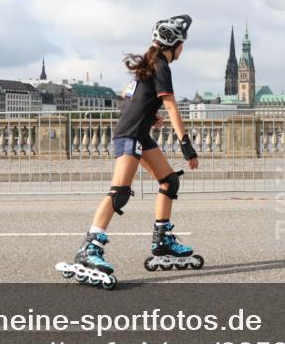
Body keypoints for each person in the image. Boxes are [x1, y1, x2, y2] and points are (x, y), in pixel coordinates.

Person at [61, 15, 200, 288]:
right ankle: (89, 248)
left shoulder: (149, 66)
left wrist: (150, 118)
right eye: (182, 44)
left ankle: (162, 239)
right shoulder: (161, 66)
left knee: (169, 180)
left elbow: (131, 101)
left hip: (138, 133)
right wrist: (186, 144)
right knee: (120, 192)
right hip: (129, 136)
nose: (183, 49)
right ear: (172, 44)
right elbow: (171, 106)